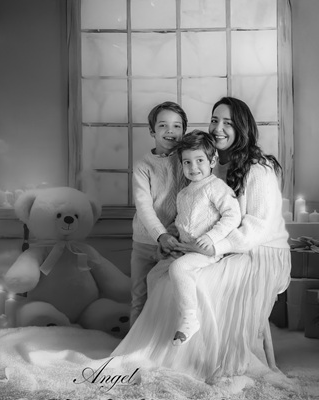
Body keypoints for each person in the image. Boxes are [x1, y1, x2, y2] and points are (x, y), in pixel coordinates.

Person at [111, 97, 291, 384]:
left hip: (259, 251)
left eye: (228, 123)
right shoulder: (210, 164)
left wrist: (212, 246)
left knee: (200, 281)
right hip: (224, 246)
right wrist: (182, 242)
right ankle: (165, 351)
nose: (218, 128)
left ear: (242, 127)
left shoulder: (259, 168)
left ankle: (204, 358)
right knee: (164, 276)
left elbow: (256, 227)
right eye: (214, 120)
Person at [166, 130, 241, 346]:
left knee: (178, 268)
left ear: (212, 161)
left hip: (208, 251)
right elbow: (183, 220)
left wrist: (211, 236)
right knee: (156, 273)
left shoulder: (215, 187)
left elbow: (232, 215)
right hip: (187, 248)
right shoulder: (183, 193)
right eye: (187, 162)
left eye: (199, 160)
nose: (193, 167)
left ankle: (190, 318)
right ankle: (157, 324)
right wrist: (173, 236)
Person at [129, 101, 188, 327]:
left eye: (177, 126)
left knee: (170, 297)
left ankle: (162, 341)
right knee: (139, 297)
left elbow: (191, 201)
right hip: (145, 241)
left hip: (175, 242)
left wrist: (171, 234)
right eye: (163, 125)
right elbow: (143, 206)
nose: (170, 131)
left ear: (184, 131)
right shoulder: (143, 165)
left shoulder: (188, 161)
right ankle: (131, 344)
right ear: (152, 131)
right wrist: (160, 235)